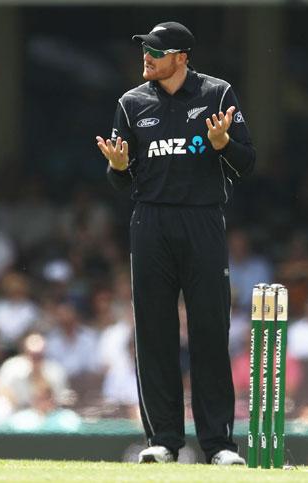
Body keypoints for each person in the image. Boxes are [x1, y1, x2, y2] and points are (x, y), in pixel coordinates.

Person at [96, 22, 255, 465]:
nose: (147, 56)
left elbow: (246, 163)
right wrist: (119, 166)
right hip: (150, 222)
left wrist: (222, 144)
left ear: (181, 57)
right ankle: (163, 441)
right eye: (145, 48)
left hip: (203, 220)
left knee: (208, 331)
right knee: (154, 333)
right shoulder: (132, 103)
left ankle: (219, 445)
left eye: (156, 51)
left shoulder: (217, 94)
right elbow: (121, 182)